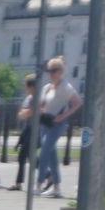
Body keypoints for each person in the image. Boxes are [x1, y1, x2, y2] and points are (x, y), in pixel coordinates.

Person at [36, 55, 81, 194]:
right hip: (46, 122)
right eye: (49, 70)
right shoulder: (47, 87)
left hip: (57, 124)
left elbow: (78, 102)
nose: (51, 73)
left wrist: (63, 115)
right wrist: (41, 110)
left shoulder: (65, 86)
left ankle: (38, 185)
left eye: (54, 70)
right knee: (51, 155)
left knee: (44, 151)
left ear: (61, 71)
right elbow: (41, 104)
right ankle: (56, 187)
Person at [8, 71, 39, 191]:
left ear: (31, 87)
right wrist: (24, 113)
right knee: (28, 157)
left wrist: (25, 113)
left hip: (33, 130)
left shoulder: (37, 99)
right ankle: (19, 182)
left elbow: (29, 113)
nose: (24, 88)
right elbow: (21, 114)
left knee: (27, 157)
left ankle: (18, 183)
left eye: (26, 86)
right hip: (26, 129)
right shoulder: (29, 99)